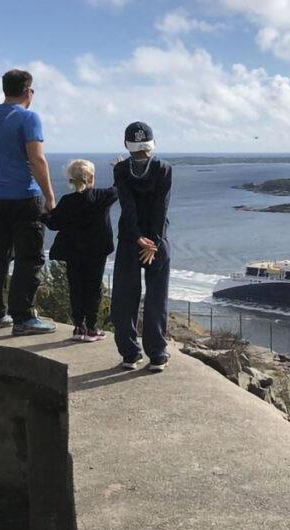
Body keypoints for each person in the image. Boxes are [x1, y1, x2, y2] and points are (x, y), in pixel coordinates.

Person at [0, 69, 57, 335]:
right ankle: (23, 318)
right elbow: (37, 159)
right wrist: (50, 197)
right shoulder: (29, 117)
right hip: (25, 196)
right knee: (29, 257)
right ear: (28, 92)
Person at [110, 121, 173, 371]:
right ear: (152, 144)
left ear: (127, 144)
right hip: (157, 243)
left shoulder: (121, 169)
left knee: (125, 298)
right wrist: (153, 242)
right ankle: (157, 355)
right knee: (157, 298)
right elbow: (161, 208)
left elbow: (128, 206)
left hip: (129, 241)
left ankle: (129, 354)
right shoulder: (164, 169)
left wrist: (137, 239)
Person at [45, 160, 118, 342]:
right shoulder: (102, 196)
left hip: (73, 252)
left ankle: (79, 327)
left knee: (76, 287)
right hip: (97, 252)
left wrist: (44, 214)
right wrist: (119, 169)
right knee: (93, 288)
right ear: (92, 177)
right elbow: (119, 188)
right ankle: (92, 329)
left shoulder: (67, 201)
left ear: (71, 180)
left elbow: (54, 224)